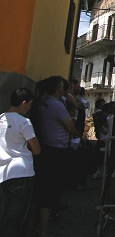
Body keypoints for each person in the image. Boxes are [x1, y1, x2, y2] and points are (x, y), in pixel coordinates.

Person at [30, 76, 75, 237]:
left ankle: (32, 226)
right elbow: (70, 126)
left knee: (41, 188)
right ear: (59, 89)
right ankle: (43, 229)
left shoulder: (43, 103)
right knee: (49, 189)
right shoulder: (56, 105)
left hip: (46, 147)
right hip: (55, 150)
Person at [0, 88, 40, 237]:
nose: (29, 108)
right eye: (29, 104)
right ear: (23, 103)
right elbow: (36, 149)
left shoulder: (0, 119)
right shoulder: (24, 122)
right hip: (22, 172)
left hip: (3, 173)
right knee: (17, 217)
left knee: (4, 214)